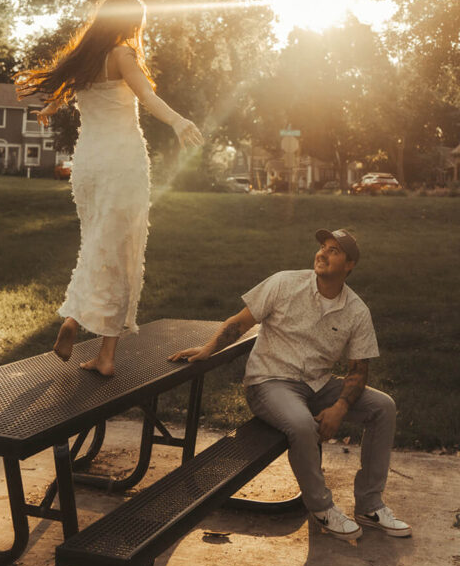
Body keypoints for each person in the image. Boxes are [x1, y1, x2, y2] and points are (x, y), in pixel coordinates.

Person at [169, 228, 411, 541]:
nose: (322, 253)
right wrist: (208, 348)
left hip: (318, 385)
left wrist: (339, 407)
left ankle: (370, 504)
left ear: (349, 265)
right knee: (301, 424)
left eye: (333, 250)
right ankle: (322, 507)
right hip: (270, 382)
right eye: (322, 247)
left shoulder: (356, 311)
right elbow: (240, 322)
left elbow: (358, 370)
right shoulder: (285, 283)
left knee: (383, 407)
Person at [14, 0, 203, 376]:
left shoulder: (85, 58)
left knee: (98, 243)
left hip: (88, 162)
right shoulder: (122, 54)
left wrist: (48, 109)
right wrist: (179, 122)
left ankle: (87, 334)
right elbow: (147, 95)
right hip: (121, 162)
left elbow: (64, 94)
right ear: (132, 21)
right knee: (120, 250)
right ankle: (94, 342)